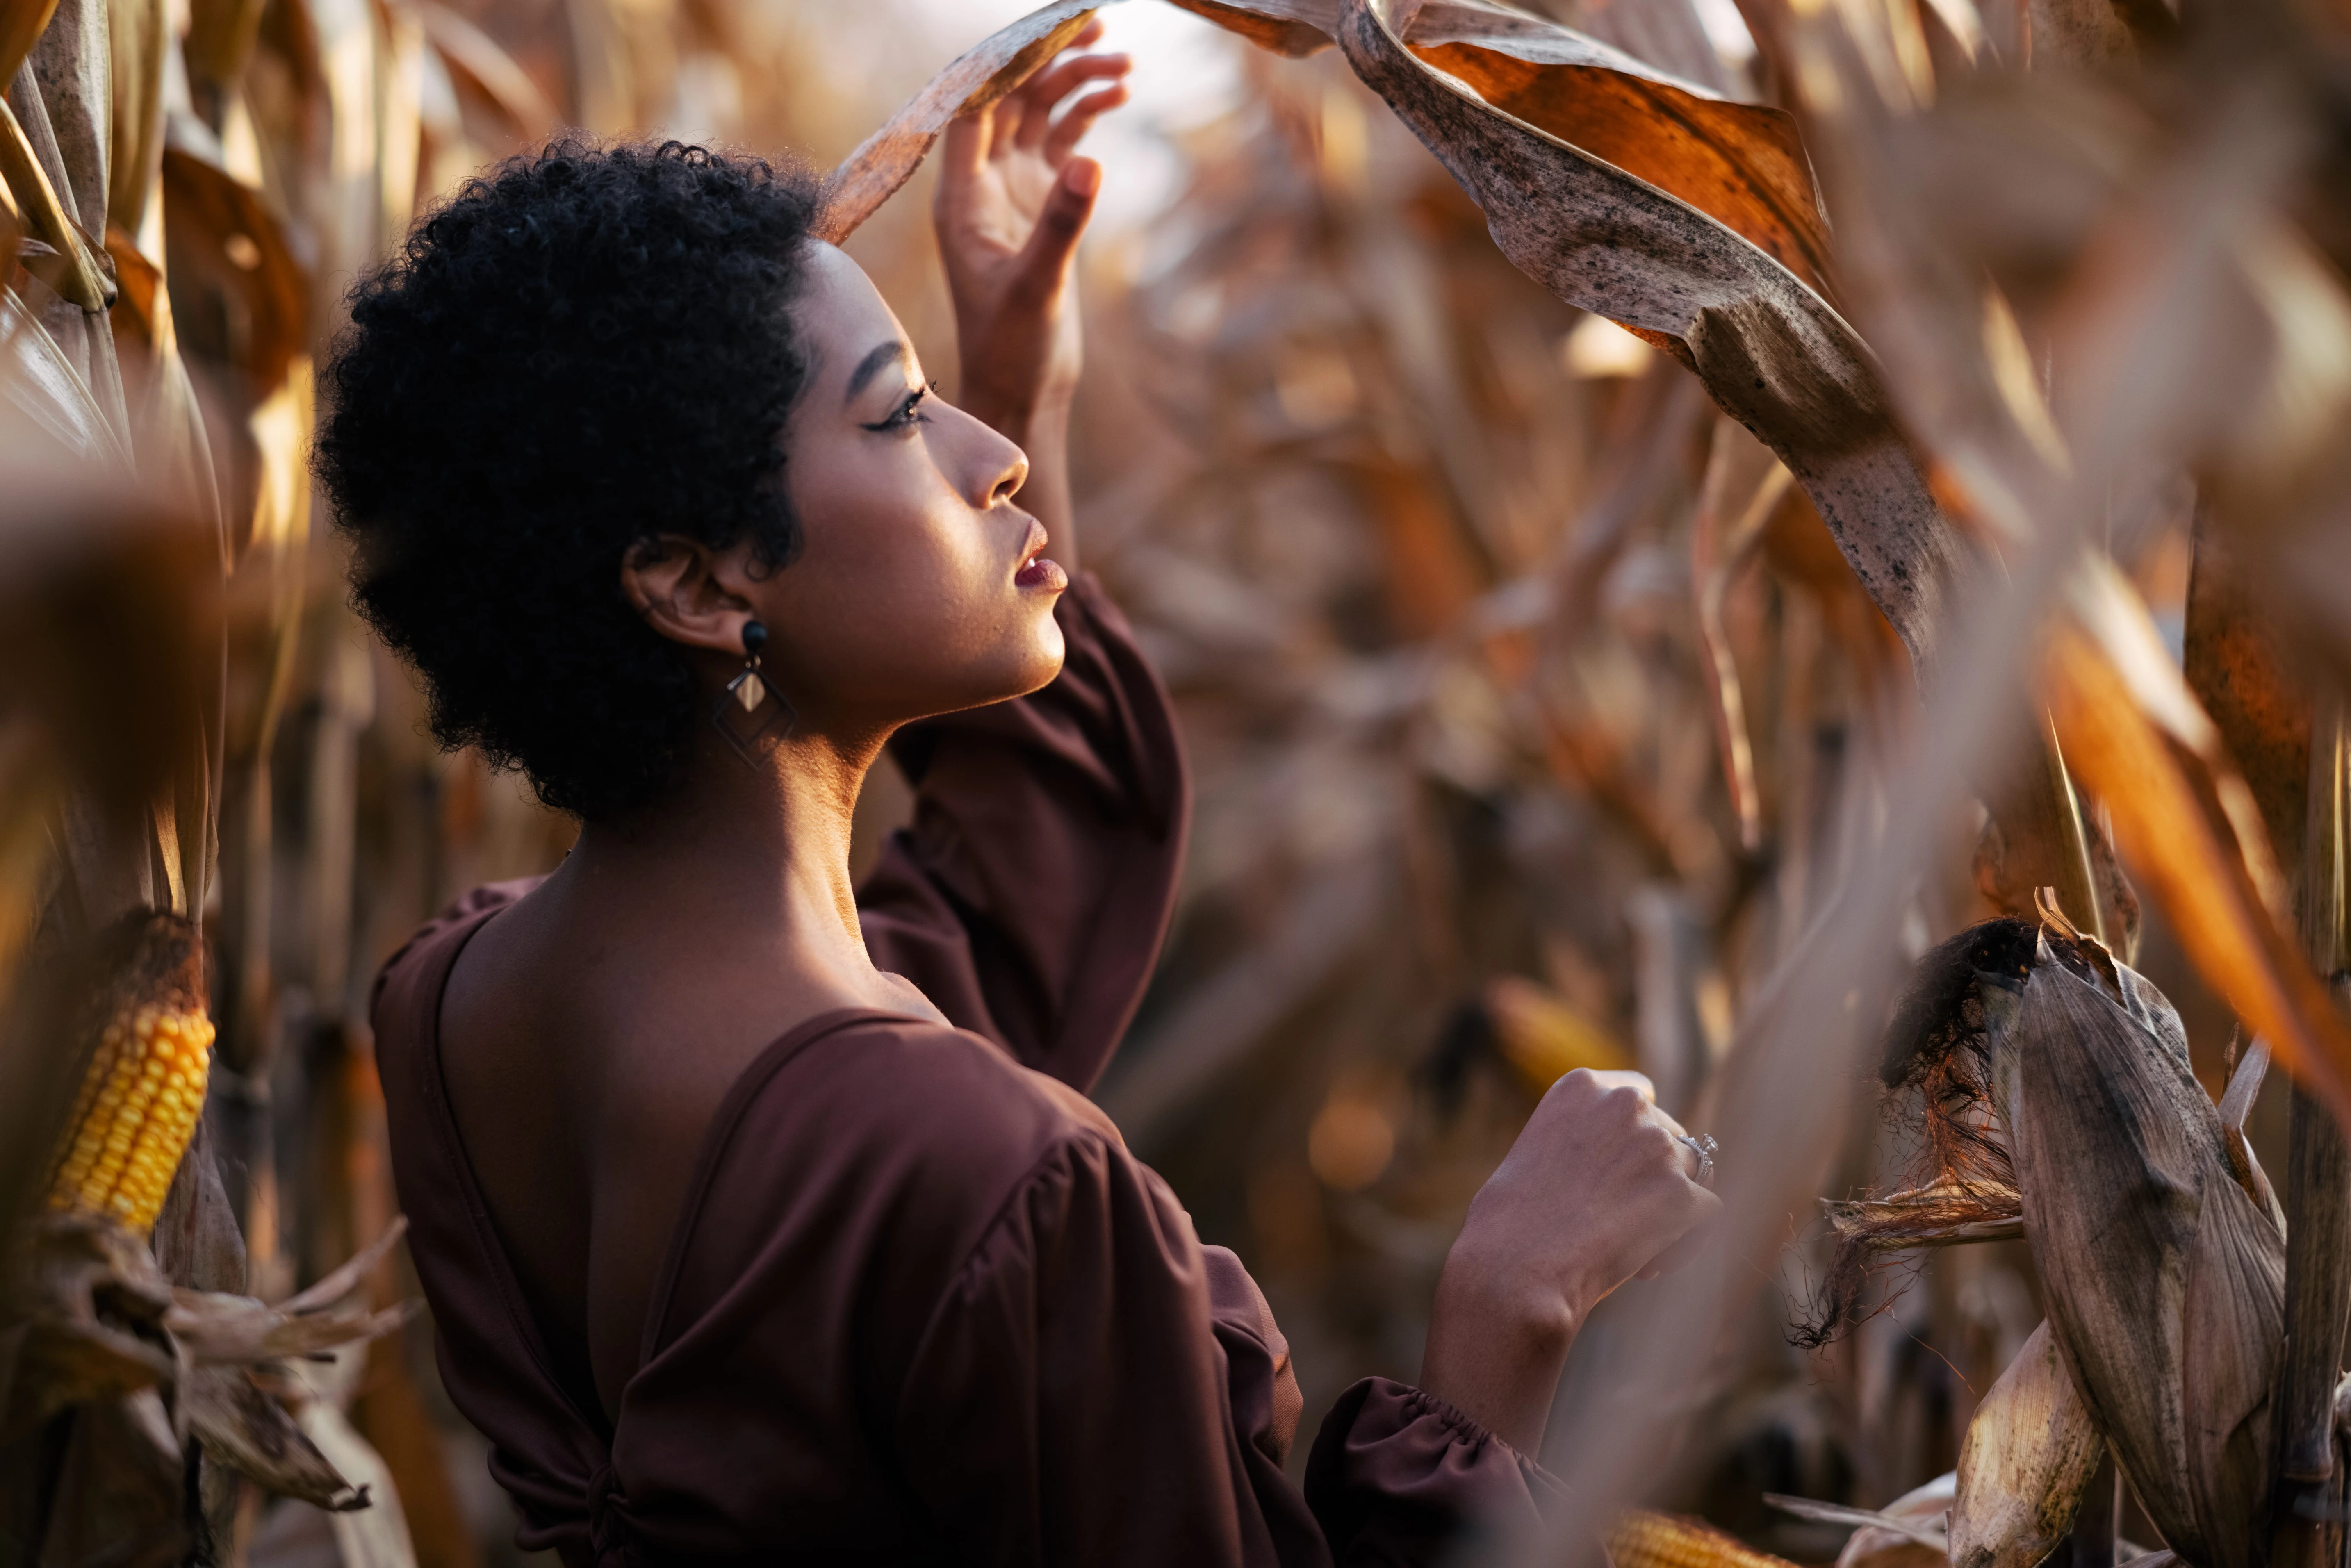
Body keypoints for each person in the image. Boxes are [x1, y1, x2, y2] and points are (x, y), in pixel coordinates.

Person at [321, 25, 1719, 1565]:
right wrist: (1504, 1326)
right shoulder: (1007, 1183)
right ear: (698, 584)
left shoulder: (454, 1004)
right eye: (900, 415)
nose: (989, 461)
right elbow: (923, 1125)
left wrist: (1015, 372)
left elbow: (991, 923)